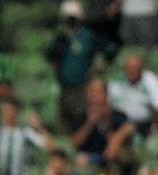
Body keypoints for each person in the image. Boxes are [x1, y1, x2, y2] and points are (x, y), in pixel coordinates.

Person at [47, 2, 119, 133]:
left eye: (73, 19)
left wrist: (102, 63)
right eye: (68, 19)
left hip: (82, 87)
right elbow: (51, 56)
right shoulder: (61, 37)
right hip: (64, 87)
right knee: (65, 122)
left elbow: (110, 49)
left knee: (80, 121)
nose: (70, 22)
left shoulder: (88, 36)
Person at [71, 80, 136, 167]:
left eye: (97, 92)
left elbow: (130, 128)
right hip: (88, 158)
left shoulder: (117, 115)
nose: (93, 96)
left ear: (105, 94)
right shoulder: (81, 117)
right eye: (90, 92)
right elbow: (73, 144)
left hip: (113, 159)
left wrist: (118, 137)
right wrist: (90, 123)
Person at [109, 54, 158, 134]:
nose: (132, 71)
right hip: (118, 120)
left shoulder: (151, 81)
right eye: (129, 68)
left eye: (135, 68)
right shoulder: (116, 81)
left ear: (142, 69)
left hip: (142, 124)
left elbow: (157, 108)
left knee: (124, 131)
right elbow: (109, 104)